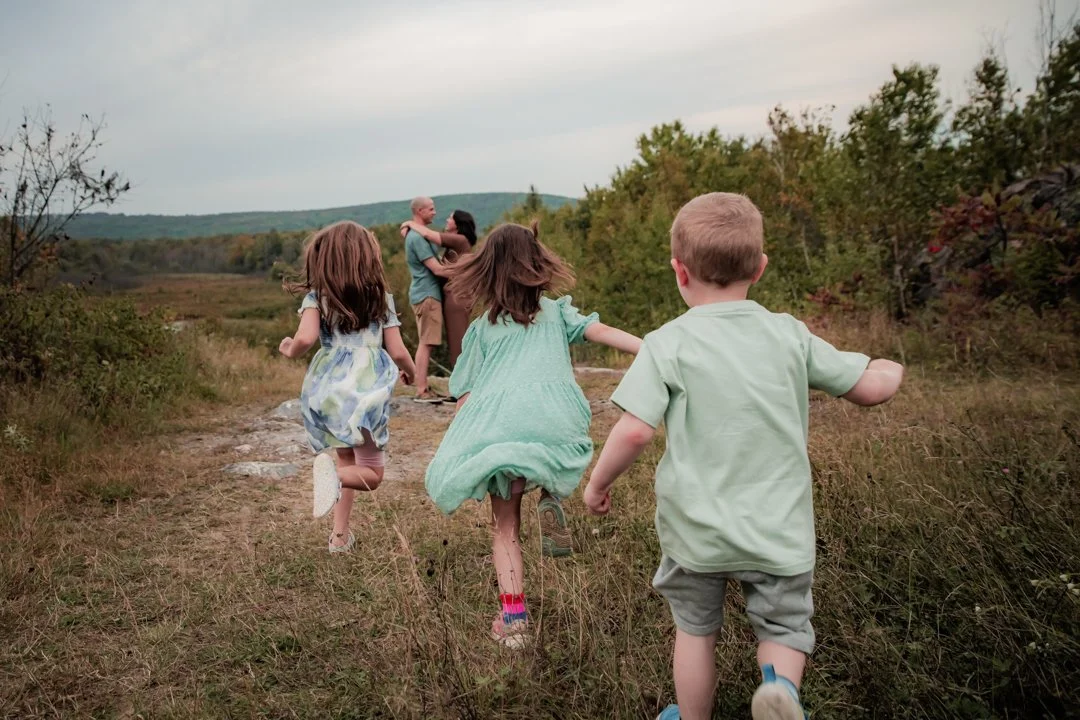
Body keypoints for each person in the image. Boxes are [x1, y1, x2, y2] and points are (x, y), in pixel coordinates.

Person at [583, 193, 904, 720]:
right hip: (778, 529)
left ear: (679, 272)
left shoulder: (667, 343)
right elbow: (868, 389)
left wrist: (597, 486)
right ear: (760, 267)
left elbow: (636, 432)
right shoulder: (787, 333)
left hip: (696, 532)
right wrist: (891, 367)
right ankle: (780, 692)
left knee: (694, 631)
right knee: (784, 628)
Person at [424, 221, 641, 647]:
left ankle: (515, 622)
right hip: (555, 419)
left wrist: (468, 443)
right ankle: (552, 494)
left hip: (505, 423)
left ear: (488, 271)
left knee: (505, 525)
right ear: (537, 264)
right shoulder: (558, 313)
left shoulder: (483, 330)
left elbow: (465, 396)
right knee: (548, 446)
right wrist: (653, 347)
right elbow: (603, 332)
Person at [278, 221, 417, 552]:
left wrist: (290, 348)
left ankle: (339, 537)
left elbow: (306, 339)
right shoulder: (381, 299)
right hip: (364, 393)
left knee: (346, 460)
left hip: (330, 390)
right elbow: (397, 350)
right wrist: (411, 372)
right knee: (371, 474)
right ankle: (336, 481)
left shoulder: (317, 299)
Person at [401, 208, 478, 370]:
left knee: (458, 342)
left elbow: (428, 235)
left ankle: (463, 387)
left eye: (450, 218)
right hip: (455, 297)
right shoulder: (455, 245)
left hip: (457, 298)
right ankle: (460, 385)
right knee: (456, 341)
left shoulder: (460, 240)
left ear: (457, 224)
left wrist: (409, 223)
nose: (446, 220)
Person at [403, 196, 451, 403]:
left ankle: (421, 386)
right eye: (430, 209)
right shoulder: (417, 238)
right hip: (427, 294)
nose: (434, 212)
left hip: (424, 292)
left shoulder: (415, 235)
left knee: (426, 341)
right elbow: (437, 269)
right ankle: (421, 389)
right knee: (426, 342)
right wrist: (467, 270)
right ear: (420, 211)